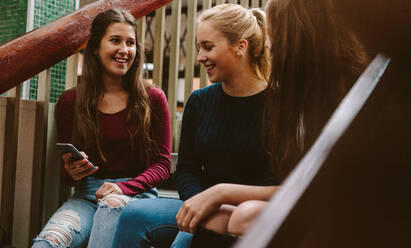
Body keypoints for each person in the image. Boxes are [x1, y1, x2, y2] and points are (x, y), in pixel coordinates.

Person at [187, 0, 369, 244]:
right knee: (230, 218)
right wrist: (204, 201)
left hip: (344, 207)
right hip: (300, 202)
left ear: (300, 36)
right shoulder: (301, 96)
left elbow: (312, 185)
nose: (267, 44)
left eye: (273, 34)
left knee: (244, 216)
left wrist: (221, 193)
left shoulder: (338, 94)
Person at [110, 4, 275, 248]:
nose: (199, 57)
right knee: (132, 215)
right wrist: (201, 203)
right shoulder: (199, 101)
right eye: (199, 47)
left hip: (250, 214)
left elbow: (279, 181)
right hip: (200, 205)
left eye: (208, 47)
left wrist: (219, 200)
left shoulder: (279, 106)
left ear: (241, 46)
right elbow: (186, 168)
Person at [32, 8, 171, 248]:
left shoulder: (153, 98)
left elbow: (163, 165)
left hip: (138, 197)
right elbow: (68, 176)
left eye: (131, 43)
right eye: (115, 40)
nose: (124, 50)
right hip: (88, 197)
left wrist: (123, 187)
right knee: (49, 242)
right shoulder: (70, 103)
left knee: (108, 229)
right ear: (96, 47)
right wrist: (73, 171)